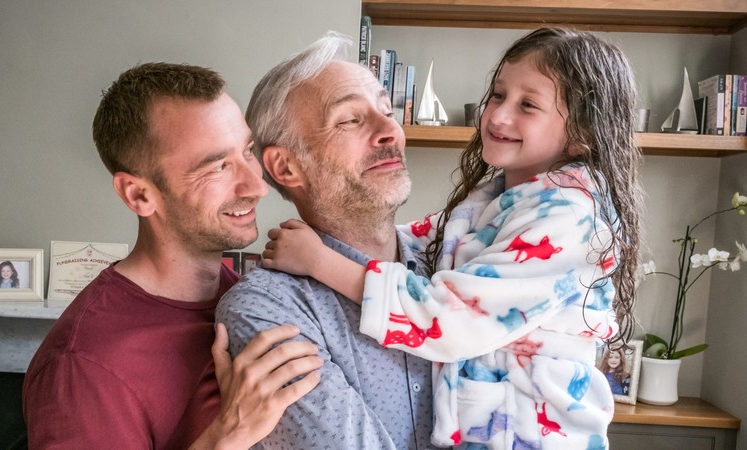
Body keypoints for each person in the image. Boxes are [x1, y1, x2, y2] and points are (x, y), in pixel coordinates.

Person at [263, 27, 644, 449]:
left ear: (582, 134)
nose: (498, 116)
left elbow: (448, 317)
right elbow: (420, 240)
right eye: (498, 95)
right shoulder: (498, 201)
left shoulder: (569, 217)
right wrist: (332, 240)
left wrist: (321, 261)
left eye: (528, 105)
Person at [22, 62, 323, 450]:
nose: (256, 186)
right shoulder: (81, 364)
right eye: (218, 166)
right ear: (139, 195)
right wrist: (227, 436)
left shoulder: (255, 299)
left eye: (247, 151)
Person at [215, 33, 435, 449]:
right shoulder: (265, 310)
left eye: (387, 111)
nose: (390, 131)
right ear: (286, 167)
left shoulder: (454, 262)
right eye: (350, 120)